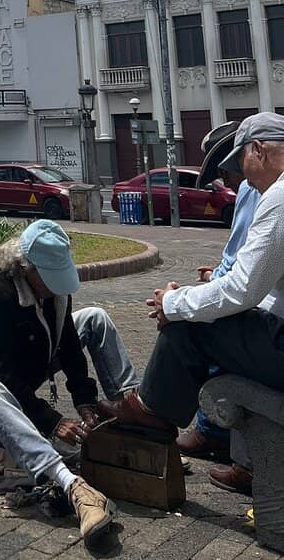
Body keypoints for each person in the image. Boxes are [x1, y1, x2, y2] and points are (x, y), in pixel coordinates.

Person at [97, 113, 284, 498]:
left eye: (242, 166)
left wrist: (175, 303)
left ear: (260, 151)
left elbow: (244, 288)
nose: (243, 180)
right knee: (200, 311)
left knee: (189, 323)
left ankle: (153, 411)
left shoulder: (279, 197)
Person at [0, 219, 144, 550]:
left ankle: (136, 418)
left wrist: (84, 399)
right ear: (24, 267)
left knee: (95, 318)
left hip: (35, 361)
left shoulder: (55, 291)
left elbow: (68, 342)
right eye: (48, 279)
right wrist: (52, 421)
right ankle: (71, 485)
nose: (55, 287)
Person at [176, 159, 260, 478]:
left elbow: (243, 263)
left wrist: (185, 300)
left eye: (225, 174)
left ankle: (212, 429)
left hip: (261, 308)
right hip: (256, 294)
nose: (224, 182)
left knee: (198, 329)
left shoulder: (257, 191)